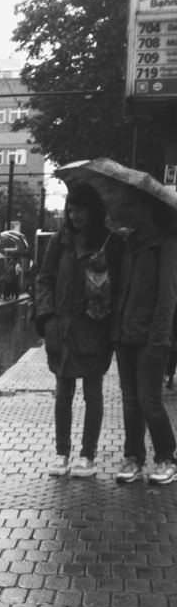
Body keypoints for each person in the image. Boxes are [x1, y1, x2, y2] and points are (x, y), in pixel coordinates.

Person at [34, 182, 123, 479]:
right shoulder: (60, 242)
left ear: (92, 211)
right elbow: (44, 279)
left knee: (92, 392)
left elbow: (119, 286)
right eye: (70, 210)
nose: (74, 216)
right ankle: (62, 453)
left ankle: (88, 455)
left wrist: (104, 267)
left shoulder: (109, 243)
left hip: (94, 327)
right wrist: (47, 319)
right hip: (61, 327)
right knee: (62, 393)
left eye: (80, 211)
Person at [108, 182, 177, 484]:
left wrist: (159, 339)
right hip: (124, 332)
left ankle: (167, 458)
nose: (126, 212)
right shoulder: (128, 242)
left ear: (149, 208)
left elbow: (168, 296)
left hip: (152, 336)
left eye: (131, 206)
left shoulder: (167, 243)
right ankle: (133, 457)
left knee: (149, 399)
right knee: (130, 399)